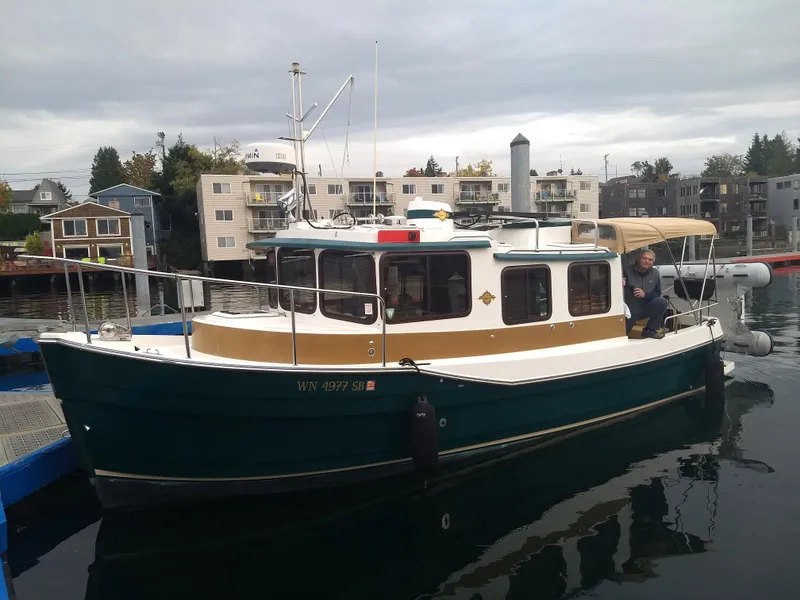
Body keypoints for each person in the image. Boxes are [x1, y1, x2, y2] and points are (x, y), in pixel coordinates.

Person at [622, 249, 668, 339]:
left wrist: (645, 295)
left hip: (645, 307)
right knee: (631, 311)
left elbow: (657, 292)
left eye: (650, 260)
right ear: (639, 258)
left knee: (662, 302)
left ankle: (650, 330)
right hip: (628, 309)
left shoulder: (655, 273)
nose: (647, 261)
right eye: (644, 258)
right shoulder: (626, 270)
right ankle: (621, 337)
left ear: (653, 262)